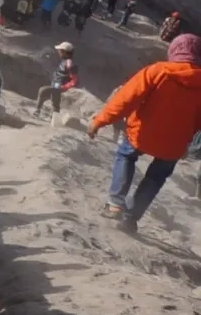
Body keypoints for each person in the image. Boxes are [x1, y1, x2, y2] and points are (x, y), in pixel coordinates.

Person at [89, 33, 201, 232]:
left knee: (126, 155)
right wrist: (188, 144)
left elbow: (125, 100)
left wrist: (100, 121)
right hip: (174, 144)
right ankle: (130, 218)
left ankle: (115, 204)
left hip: (142, 134)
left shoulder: (157, 71)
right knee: (156, 177)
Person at [36, 42, 79, 113]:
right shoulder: (65, 61)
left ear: (64, 52)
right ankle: (55, 116)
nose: (58, 52)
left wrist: (64, 87)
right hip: (56, 84)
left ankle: (37, 111)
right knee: (55, 101)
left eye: (60, 51)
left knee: (42, 90)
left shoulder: (69, 63)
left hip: (59, 85)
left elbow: (74, 80)